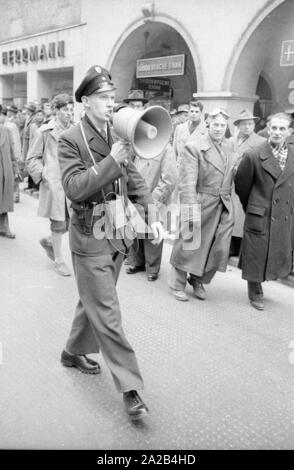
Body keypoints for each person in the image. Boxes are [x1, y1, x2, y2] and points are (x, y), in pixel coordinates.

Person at [57, 65, 164, 419]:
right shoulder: (70, 138)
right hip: (88, 237)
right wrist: (110, 161)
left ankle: (72, 351)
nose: (110, 103)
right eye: (103, 97)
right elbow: (73, 187)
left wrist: (153, 219)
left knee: (94, 300)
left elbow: (135, 183)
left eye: (112, 97)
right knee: (107, 310)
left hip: (117, 232)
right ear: (86, 101)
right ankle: (131, 388)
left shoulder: (117, 132)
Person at [169, 109, 238, 301]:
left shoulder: (229, 146)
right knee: (189, 243)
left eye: (222, 125)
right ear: (207, 124)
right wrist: (191, 209)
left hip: (222, 203)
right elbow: (187, 181)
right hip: (200, 200)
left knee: (216, 247)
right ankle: (177, 284)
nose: (218, 128)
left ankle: (198, 279)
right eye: (215, 124)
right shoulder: (194, 147)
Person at [235, 112, 294, 311]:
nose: (277, 132)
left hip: (283, 214)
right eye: (274, 128)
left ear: (290, 132)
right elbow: (242, 186)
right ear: (268, 129)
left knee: (276, 251)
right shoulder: (254, 155)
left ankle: (267, 279)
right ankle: (255, 290)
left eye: (282, 129)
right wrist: (253, 207)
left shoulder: (293, 155)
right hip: (260, 213)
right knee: (255, 253)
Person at [26, 94, 73, 277]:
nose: (69, 113)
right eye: (65, 110)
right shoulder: (45, 131)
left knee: (71, 221)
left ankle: (49, 242)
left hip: (73, 184)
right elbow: (31, 159)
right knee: (59, 222)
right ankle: (59, 260)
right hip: (55, 185)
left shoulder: (76, 130)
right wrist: (45, 174)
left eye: (71, 110)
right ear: (56, 110)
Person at [229, 109, 266, 256]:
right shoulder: (233, 141)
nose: (247, 127)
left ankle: (238, 247)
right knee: (231, 214)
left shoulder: (261, 142)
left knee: (241, 215)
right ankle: (230, 244)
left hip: (247, 183)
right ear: (238, 126)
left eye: (250, 124)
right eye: (243, 124)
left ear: (254, 125)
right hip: (231, 183)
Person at [0, 106, 17, 238]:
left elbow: (11, 151)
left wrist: (15, 168)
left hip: (5, 170)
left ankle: (4, 227)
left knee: (4, 200)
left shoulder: (6, 130)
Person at [173, 100, 207, 168]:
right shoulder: (180, 128)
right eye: (192, 111)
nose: (194, 114)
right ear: (188, 112)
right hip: (180, 166)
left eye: (197, 112)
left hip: (196, 167)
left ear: (201, 113)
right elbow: (174, 149)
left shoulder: (206, 129)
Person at [4, 105, 22, 203]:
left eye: (10, 111)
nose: (9, 112)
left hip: (13, 152)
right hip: (10, 152)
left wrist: (17, 155)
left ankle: (16, 195)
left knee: (15, 174)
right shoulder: (10, 122)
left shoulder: (13, 123)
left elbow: (16, 140)